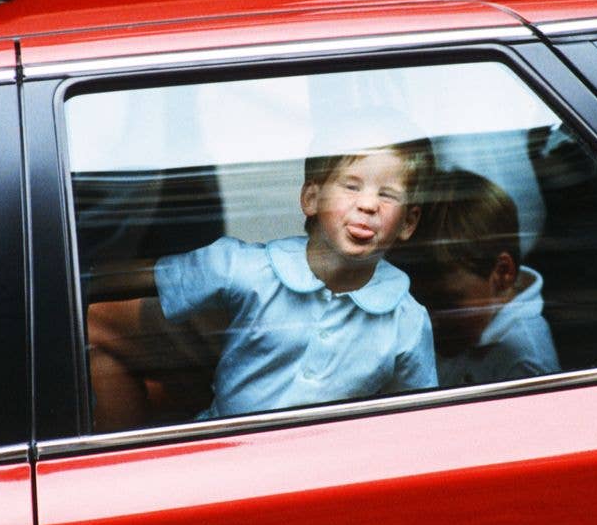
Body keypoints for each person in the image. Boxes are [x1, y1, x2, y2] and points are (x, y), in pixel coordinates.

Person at [87, 137, 438, 430]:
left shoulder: (407, 321)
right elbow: (131, 280)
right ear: (311, 198)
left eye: (387, 195)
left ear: (408, 222)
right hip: (222, 454)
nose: (367, 204)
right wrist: (79, 278)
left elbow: (414, 427)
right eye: (351, 186)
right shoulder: (252, 269)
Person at [401, 168, 559, 387]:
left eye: (447, 303)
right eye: (418, 300)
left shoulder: (525, 364)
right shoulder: (451, 329)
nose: (428, 319)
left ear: (502, 273)